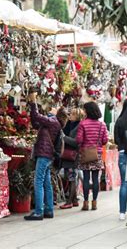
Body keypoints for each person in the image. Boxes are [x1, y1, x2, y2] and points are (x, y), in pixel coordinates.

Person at [25, 93, 68, 221]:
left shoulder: (53, 122)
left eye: (55, 107)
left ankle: (39, 211)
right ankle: (49, 209)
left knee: (38, 181)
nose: (52, 108)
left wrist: (33, 103)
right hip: (48, 156)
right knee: (46, 182)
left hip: (44, 155)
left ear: (58, 113)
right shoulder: (53, 123)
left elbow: (37, 116)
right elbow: (35, 121)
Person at [76, 101, 108, 211]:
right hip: (97, 154)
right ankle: (94, 202)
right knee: (95, 179)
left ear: (87, 111)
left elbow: (79, 140)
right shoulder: (102, 125)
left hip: (85, 154)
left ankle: (85, 203)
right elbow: (105, 141)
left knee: (86, 178)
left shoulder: (83, 124)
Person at [59, 108, 84, 209]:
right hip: (67, 155)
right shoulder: (69, 124)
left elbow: (76, 142)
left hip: (72, 156)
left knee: (72, 178)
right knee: (69, 177)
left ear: (78, 116)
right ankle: (74, 200)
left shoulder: (79, 126)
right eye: (70, 113)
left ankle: (69, 201)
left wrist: (64, 137)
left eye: (73, 114)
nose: (70, 115)